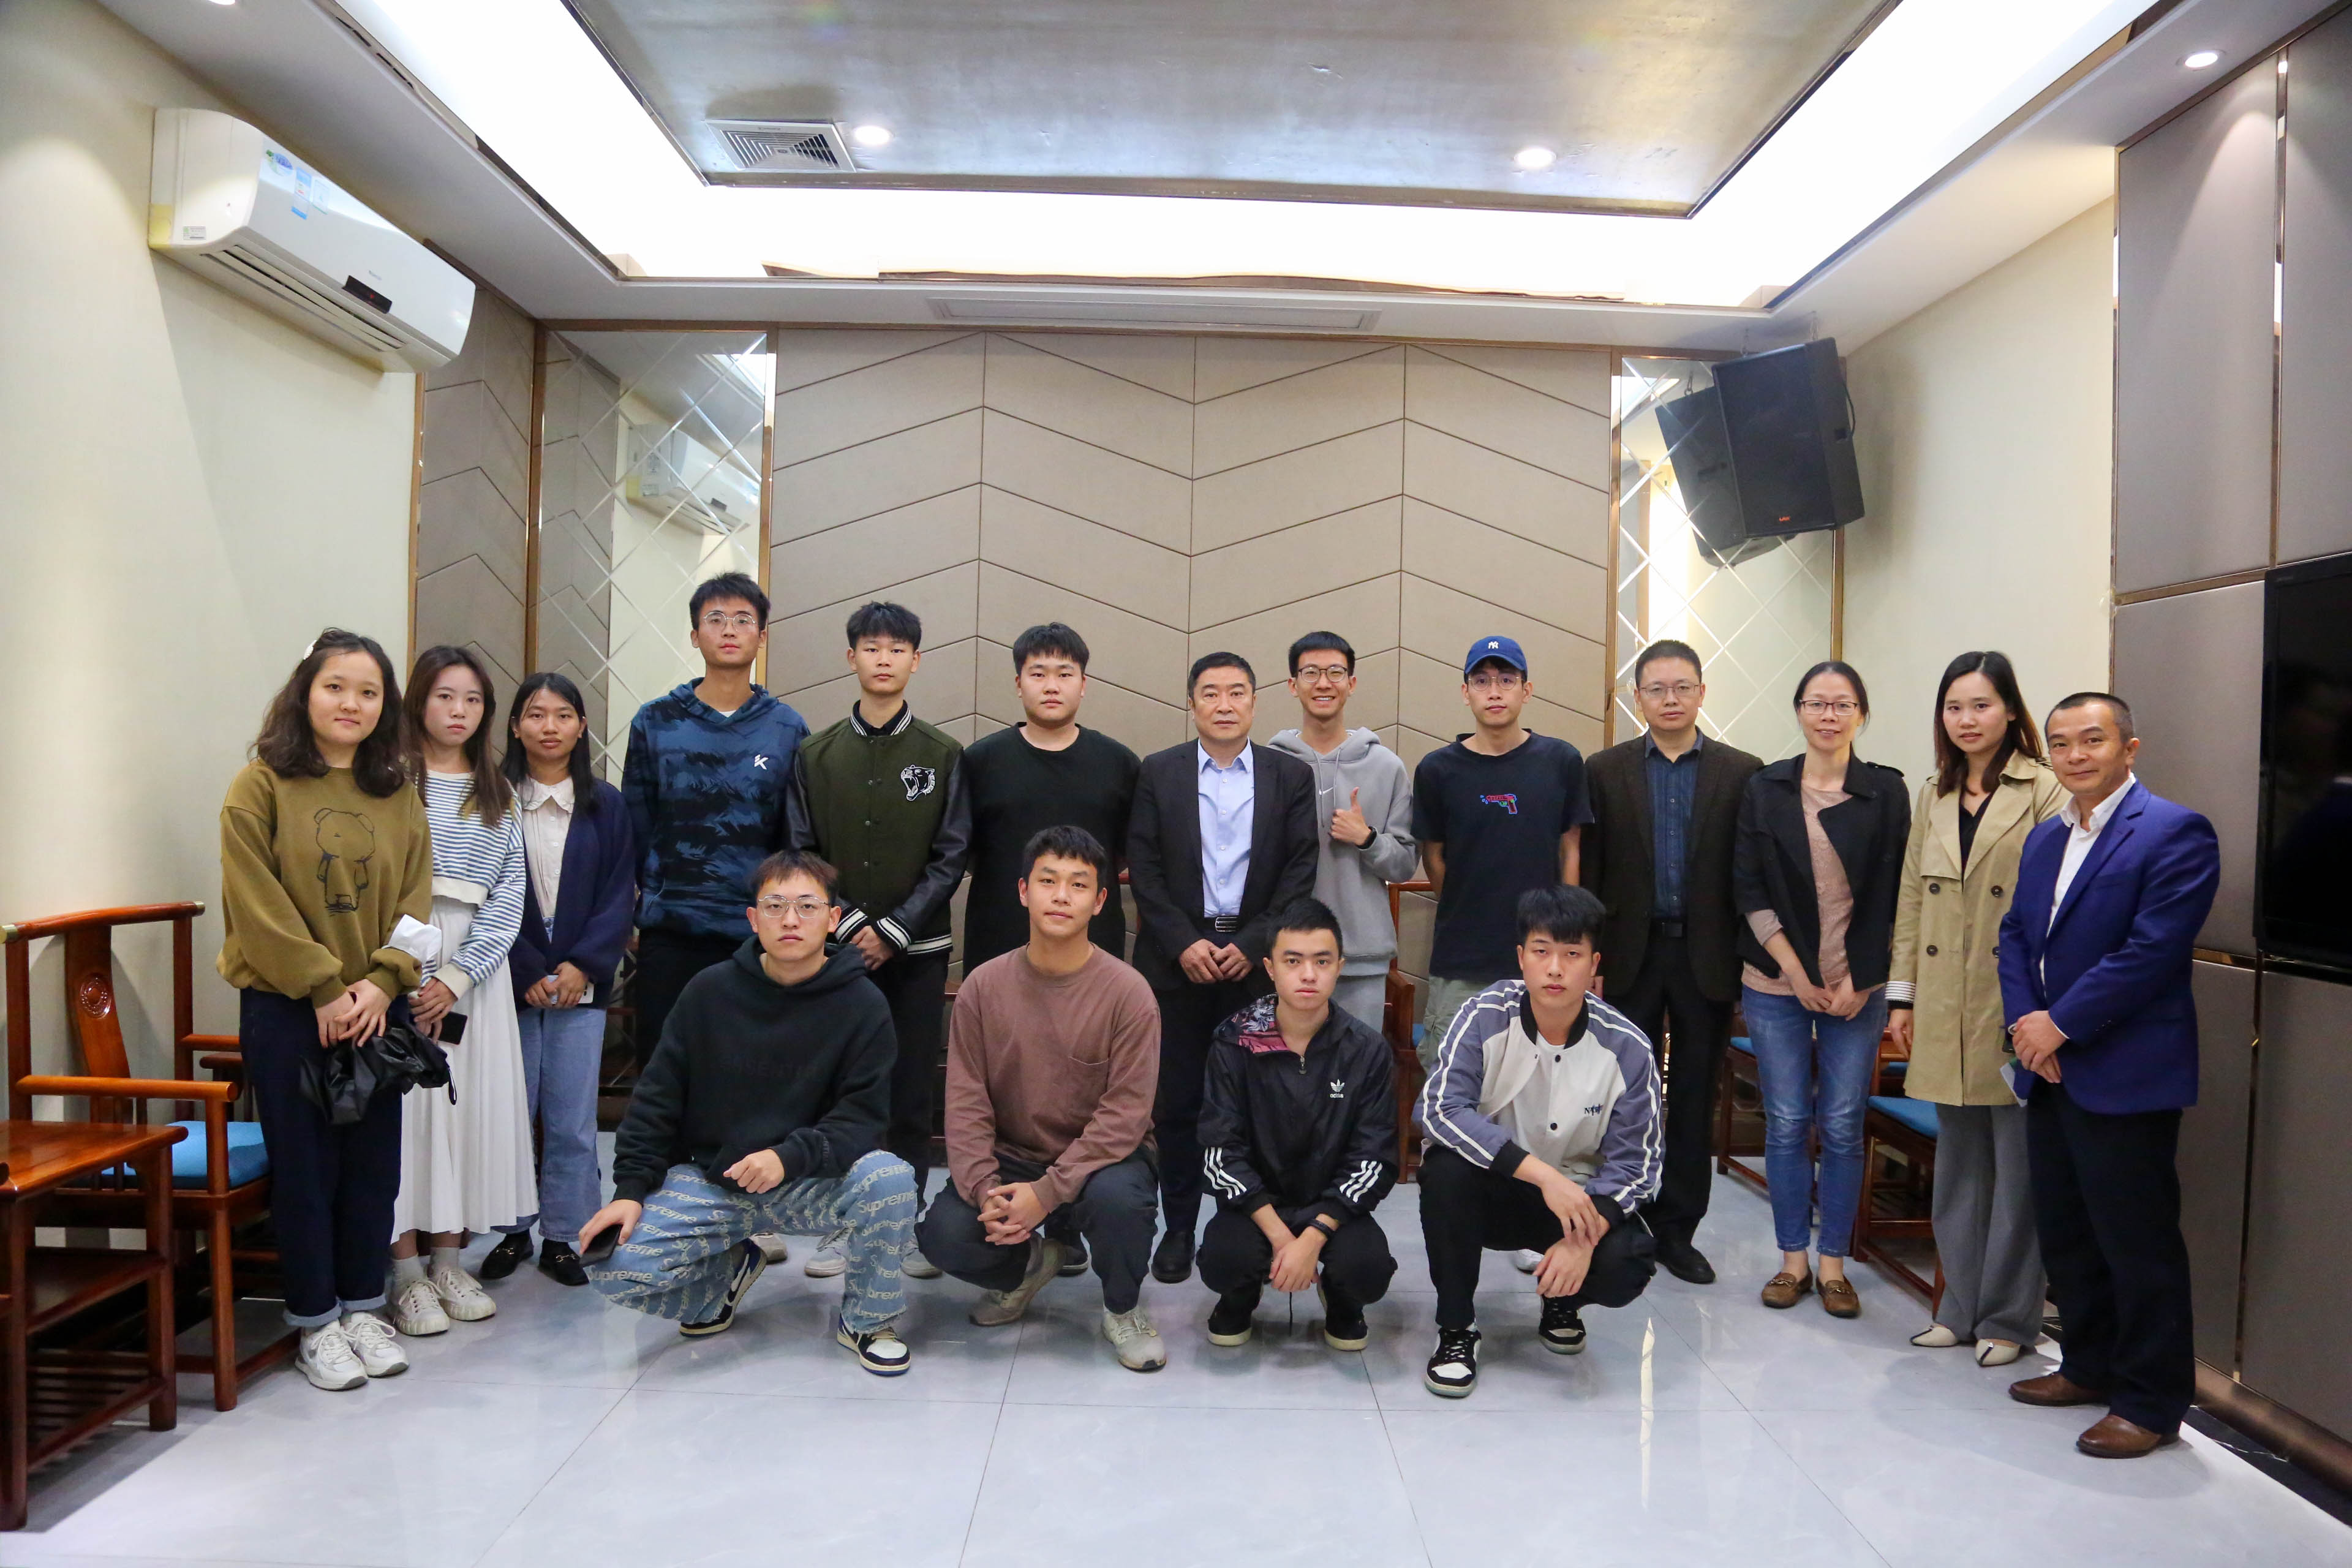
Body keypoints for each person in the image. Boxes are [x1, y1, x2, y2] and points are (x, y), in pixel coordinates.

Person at [581, 850, 917, 1374]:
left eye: (807, 906)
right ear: (753, 918)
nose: (790, 920)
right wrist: (629, 1192)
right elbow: (656, 1100)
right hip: (718, 1179)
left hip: (812, 1181)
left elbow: (862, 1118)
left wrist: (787, 1157)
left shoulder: (863, 1004)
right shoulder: (709, 992)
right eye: (775, 905)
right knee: (611, 1264)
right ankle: (724, 1279)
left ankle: (867, 1320)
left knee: (889, 1179)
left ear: (833, 919)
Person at [1999, 694, 2218, 1459]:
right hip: (2050, 1066)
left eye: (2092, 739)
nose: (2075, 755)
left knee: (2137, 1241)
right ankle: (2087, 1365)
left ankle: (2151, 1401)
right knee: (2068, 1231)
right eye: (2061, 743)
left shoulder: (2174, 831)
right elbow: (2017, 934)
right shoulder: (2047, 836)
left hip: (2127, 1071)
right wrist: (2028, 1026)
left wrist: (2059, 1023)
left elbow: (2152, 951)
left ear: (2129, 747)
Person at [217, 628, 431, 1390]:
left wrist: (383, 983)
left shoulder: (397, 792)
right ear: (305, 691)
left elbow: (417, 900)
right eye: (336, 686)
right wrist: (323, 987)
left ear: (385, 707)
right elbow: (256, 903)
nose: (351, 703)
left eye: (368, 692)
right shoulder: (260, 786)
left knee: (373, 1168)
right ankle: (316, 1323)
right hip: (289, 1008)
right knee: (306, 1171)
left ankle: (365, 1308)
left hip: (376, 1008)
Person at [916, 827, 1166, 1370]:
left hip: (1103, 1160)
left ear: (1100, 901)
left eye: (1078, 884)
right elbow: (966, 1106)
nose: (1061, 896)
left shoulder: (1129, 994)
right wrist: (987, 1191)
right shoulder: (983, 988)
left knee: (1121, 1203)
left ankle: (1122, 1308)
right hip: (1013, 1156)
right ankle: (1030, 1264)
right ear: (1024, 891)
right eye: (1048, 881)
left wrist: (1047, 1194)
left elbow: (1124, 1119)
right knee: (944, 1236)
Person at [1413, 884, 1662, 1398]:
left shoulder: (1629, 1048)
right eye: (1542, 951)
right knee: (1443, 1172)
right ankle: (1457, 1328)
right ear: (1521, 957)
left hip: (1577, 1205)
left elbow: (1638, 1166)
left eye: (1572, 955)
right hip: (1495, 1189)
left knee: (1629, 1259)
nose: (1555, 969)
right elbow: (1438, 1109)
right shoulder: (1484, 1015)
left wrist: (1582, 1240)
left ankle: (1562, 1298)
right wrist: (1544, 1177)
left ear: (1594, 964)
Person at [1888, 652, 2064, 1366]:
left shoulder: (2045, 789)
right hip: (1941, 1003)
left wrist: (2044, 1009)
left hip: (2012, 1001)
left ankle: (2009, 1319)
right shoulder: (1933, 793)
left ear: (2011, 711)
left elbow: (2055, 904)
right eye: (1954, 706)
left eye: (1982, 705)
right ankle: (1956, 1308)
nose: (1966, 719)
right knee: (1959, 1165)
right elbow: (1910, 898)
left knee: (2017, 1172)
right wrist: (1901, 997)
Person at [788, 600, 970, 1279]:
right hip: (837, 954)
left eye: (897, 649)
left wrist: (894, 929)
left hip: (916, 954)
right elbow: (801, 852)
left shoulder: (942, 754)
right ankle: (846, 1220)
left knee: (911, 1090)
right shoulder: (815, 753)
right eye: (872, 647)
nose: (884, 659)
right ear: (852, 657)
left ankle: (906, 1222)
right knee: (842, 1089)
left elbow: (952, 856)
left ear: (916, 661)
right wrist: (849, 924)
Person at [1126, 652, 1319, 1284]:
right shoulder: (1159, 772)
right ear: (1192, 704)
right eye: (1211, 693)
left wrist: (1258, 941)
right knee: (1177, 1103)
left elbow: (1300, 869)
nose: (1225, 704)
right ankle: (1179, 1228)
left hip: (1257, 967)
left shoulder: (1290, 776)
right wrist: (1183, 941)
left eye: (1237, 692)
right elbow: (1144, 868)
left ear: (1255, 702)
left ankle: (1250, 1226)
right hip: (1176, 963)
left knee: (1260, 1100)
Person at [1580, 639, 1761, 1286]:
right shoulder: (1605, 770)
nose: (1671, 699)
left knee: (1692, 1093)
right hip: (1629, 953)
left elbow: (1748, 874)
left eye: (1683, 687)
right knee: (1620, 1093)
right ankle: (1618, 1216)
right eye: (1656, 689)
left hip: (1705, 956)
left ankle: (1678, 1230)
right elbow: (1591, 871)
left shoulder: (1742, 772)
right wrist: (1591, 955)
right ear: (1638, 698)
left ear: (1702, 693)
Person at [1735, 660, 1909, 1319]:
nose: (1828, 715)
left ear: (1861, 714)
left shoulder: (1886, 791)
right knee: (1786, 1121)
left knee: (1840, 1124)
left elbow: (1896, 895)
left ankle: (1833, 1265)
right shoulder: (1765, 788)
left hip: (1857, 987)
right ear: (1799, 711)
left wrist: (1864, 981)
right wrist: (1797, 973)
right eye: (1816, 702)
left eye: (1842, 704)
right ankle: (1792, 1261)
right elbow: (1748, 887)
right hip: (1776, 980)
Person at [387, 647, 535, 1336]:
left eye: (473, 700)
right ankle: (405, 1274)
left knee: (465, 1111)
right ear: (419, 701)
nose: (459, 711)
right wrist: (414, 977)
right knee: (409, 1119)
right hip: (398, 962)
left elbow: (509, 897)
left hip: (476, 976)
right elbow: (378, 886)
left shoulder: (498, 791)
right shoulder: (390, 781)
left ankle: (449, 1260)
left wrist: (455, 977)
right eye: (445, 696)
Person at [478, 673, 635, 1289]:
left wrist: (583, 965)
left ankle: (566, 1235)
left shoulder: (607, 804)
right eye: (536, 714)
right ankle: (512, 1228)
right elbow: (482, 892)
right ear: (516, 726)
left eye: (563, 714)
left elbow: (619, 893)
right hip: (507, 980)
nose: (550, 726)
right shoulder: (491, 799)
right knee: (511, 1112)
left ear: (581, 726)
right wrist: (523, 967)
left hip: (580, 984)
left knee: (571, 1118)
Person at [621, 571, 808, 1073]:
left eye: (743, 620)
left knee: (749, 1071)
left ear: (762, 636)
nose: (729, 630)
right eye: (716, 619)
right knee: (665, 1069)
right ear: (694, 634)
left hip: (754, 932)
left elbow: (794, 840)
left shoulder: (787, 728)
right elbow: (636, 825)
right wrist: (641, 904)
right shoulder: (655, 721)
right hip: (670, 928)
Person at [1197, 898, 1398, 1351]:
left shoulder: (1366, 1050)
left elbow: (1375, 1158)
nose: (1308, 975)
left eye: (1322, 962)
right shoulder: (1235, 1041)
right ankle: (1239, 1297)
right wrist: (1280, 1236)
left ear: (1340, 967)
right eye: (1293, 961)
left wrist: (1314, 1237)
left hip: (1332, 1207)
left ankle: (1343, 1301)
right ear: (1270, 968)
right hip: (1256, 1206)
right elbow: (1218, 1153)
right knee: (1225, 1260)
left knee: (1367, 1269)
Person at [1412, 635, 1593, 1072]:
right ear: (1466, 692)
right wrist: (1465, 906)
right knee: (1455, 1080)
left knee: (1543, 1081)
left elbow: (1570, 847)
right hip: (1463, 958)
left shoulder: (1561, 761)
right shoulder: (1437, 770)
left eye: (1506, 680)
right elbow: (1433, 856)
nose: (1494, 691)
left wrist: (1566, 932)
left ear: (1526, 691)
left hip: (1544, 957)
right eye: (1482, 681)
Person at [960, 623, 1142, 976]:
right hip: (997, 938)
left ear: (1083, 684)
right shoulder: (980, 761)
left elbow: (1127, 850)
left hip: (1094, 943)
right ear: (1019, 684)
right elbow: (964, 850)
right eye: (1038, 674)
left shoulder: (1119, 763)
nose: (1051, 686)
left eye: (1065, 674)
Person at [1267, 631, 1418, 1031]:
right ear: (1293, 685)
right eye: (1311, 673)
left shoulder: (1386, 766)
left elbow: (1404, 865)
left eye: (1335, 672)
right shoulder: (1269, 764)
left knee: (1357, 1065)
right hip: (1286, 952)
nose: (1323, 683)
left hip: (1361, 954)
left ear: (1351, 683)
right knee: (1288, 1064)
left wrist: (1367, 838)